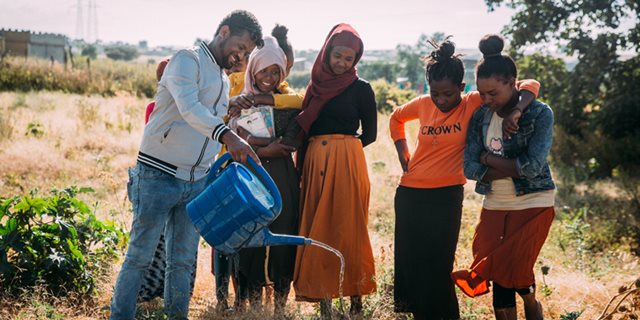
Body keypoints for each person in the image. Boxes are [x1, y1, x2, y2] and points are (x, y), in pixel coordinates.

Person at [109, 10, 262, 320]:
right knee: (140, 257)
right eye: (241, 46)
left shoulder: (220, 76)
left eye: (247, 53)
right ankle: (120, 315)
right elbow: (189, 108)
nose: (241, 57)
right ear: (224, 32)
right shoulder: (186, 59)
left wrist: (231, 107)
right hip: (158, 174)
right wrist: (229, 138)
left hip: (195, 181)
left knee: (182, 261)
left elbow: (205, 116)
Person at [389, 36, 540, 320]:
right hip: (409, 194)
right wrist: (402, 151)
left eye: (447, 94)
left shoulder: (472, 102)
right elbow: (396, 118)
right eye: (435, 93)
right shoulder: (422, 104)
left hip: (446, 196)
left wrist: (518, 110)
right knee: (413, 263)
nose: (441, 100)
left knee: (438, 264)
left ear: (461, 87)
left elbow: (530, 84)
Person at [451, 34, 555, 320]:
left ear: (513, 83)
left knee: (516, 267)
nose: (486, 100)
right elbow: (469, 168)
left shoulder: (538, 114)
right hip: (495, 204)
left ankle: (532, 306)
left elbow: (533, 167)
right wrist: (501, 164)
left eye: (493, 93)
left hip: (534, 201)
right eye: (482, 94)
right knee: (497, 269)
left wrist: (488, 159)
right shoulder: (481, 116)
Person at [211, 24, 303, 313]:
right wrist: (266, 147)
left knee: (282, 232)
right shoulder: (240, 97)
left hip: (280, 177)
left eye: (276, 72)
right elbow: (232, 130)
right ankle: (247, 304)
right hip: (247, 173)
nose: (269, 77)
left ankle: (278, 307)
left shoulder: (286, 101)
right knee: (247, 235)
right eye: (263, 70)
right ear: (253, 69)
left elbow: (292, 134)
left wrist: (259, 140)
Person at [293, 23, 377, 319]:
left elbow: (370, 134)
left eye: (349, 59)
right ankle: (324, 298)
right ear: (326, 53)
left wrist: (342, 150)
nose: (342, 63)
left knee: (350, 226)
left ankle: (356, 298)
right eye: (338, 56)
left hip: (347, 160)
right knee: (320, 226)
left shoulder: (362, 89)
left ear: (356, 61)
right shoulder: (315, 87)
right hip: (317, 160)